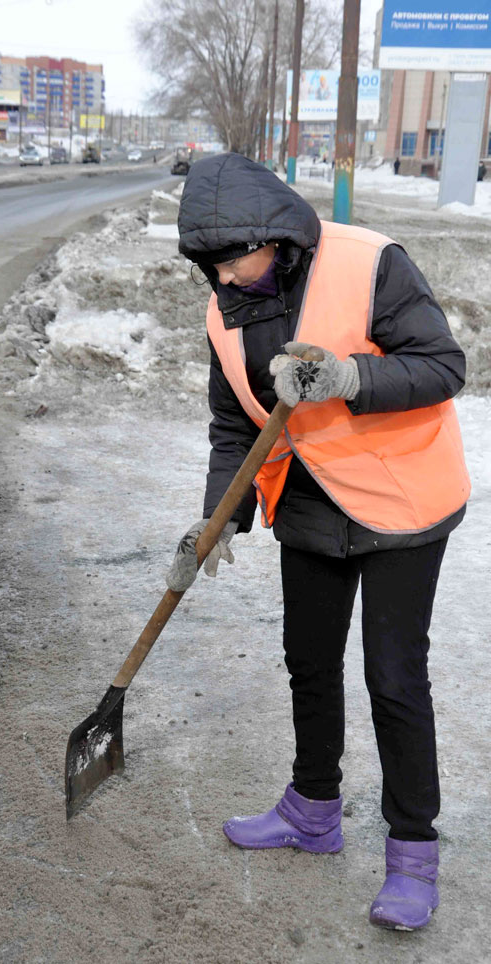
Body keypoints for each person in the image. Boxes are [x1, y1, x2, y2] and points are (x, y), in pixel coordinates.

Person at [167, 152, 469, 931]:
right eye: (214, 266)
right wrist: (215, 521)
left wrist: (349, 380)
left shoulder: (370, 263)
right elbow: (234, 425)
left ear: (276, 235)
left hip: (401, 501)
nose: (229, 277)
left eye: (237, 257)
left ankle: (412, 854)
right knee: (309, 660)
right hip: (308, 500)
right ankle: (312, 810)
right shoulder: (221, 312)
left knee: (394, 677)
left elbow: (443, 366)